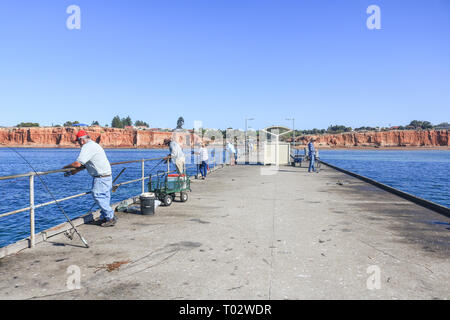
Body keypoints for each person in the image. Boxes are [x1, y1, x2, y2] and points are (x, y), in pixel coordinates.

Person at [63, 130, 116, 227]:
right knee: (104, 198)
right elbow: (85, 165)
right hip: (107, 176)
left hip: (100, 178)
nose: (78, 144)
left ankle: (111, 217)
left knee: (97, 195)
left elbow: (78, 163)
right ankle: (105, 217)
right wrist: (73, 172)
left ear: (82, 140)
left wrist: (64, 168)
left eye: (78, 141)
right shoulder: (94, 145)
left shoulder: (87, 147)